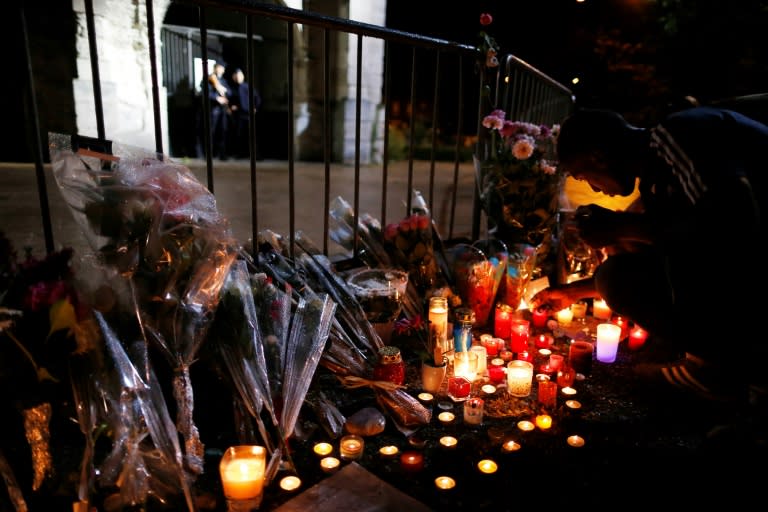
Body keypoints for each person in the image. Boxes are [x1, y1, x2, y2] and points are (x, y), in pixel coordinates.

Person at [530, 106, 767, 404]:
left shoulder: (676, 135)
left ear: (598, 158)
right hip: (743, 274)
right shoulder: (655, 178)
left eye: (586, 176)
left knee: (625, 255)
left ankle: (715, 370)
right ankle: (716, 360)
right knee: (615, 269)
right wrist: (573, 292)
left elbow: (735, 224)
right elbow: (663, 244)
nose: (593, 188)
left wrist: (621, 226)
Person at [196, 61, 231, 160]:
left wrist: (224, 90)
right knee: (211, 132)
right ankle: (209, 154)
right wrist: (216, 98)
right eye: (220, 67)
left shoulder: (223, 81)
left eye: (223, 68)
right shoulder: (207, 79)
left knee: (222, 131)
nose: (222, 70)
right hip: (212, 111)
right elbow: (205, 93)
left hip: (222, 111)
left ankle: (222, 154)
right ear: (215, 68)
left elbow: (229, 92)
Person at [228, 68, 262, 159]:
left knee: (252, 135)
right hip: (239, 115)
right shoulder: (233, 89)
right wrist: (233, 106)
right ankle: (240, 154)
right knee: (239, 135)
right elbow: (232, 101)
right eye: (236, 76)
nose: (237, 77)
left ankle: (256, 155)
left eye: (239, 75)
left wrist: (255, 108)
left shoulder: (247, 86)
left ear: (242, 76)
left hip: (249, 114)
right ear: (233, 77)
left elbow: (257, 97)